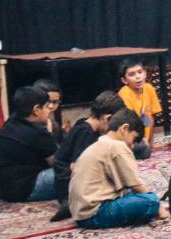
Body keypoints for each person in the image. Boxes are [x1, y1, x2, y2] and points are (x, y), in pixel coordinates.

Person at [68, 109, 163, 229]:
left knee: (133, 196)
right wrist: (158, 204)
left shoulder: (101, 142)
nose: (132, 145)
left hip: (81, 214)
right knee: (150, 200)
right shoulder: (118, 146)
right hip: (96, 213)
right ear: (124, 129)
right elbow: (135, 185)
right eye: (133, 139)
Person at [50, 90, 128, 221]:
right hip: (68, 184)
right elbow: (76, 167)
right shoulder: (86, 133)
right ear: (107, 119)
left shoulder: (83, 124)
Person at [0, 84, 59, 203]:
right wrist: (50, 134)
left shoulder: (12, 120)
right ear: (36, 110)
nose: (50, 110)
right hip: (22, 188)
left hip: (0, 186)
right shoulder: (38, 132)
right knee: (78, 174)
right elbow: (57, 163)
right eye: (47, 107)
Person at [117, 57, 161, 159]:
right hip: (128, 135)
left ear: (145, 73)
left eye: (140, 72)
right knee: (143, 151)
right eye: (132, 74)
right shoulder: (124, 93)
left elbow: (150, 118)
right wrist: (141, 140)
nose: (137, 77)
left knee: (145, 149)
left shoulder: (149, 88)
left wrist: (150, 142)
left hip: (141, 136)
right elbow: (128, 124)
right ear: (124, 80)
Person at [33, 78, 64, 147]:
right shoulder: (23, 125)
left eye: (55, 102)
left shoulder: (54, 125)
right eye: (47, 101)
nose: (51, 106)